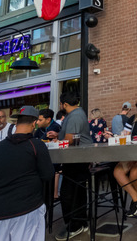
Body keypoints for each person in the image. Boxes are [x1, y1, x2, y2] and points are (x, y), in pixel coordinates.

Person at [0, 106, 54, 241]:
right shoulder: (36, 145)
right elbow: (48, 175)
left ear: (16, 123)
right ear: (34, 123)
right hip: (28, 209)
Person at [55, 93, 93, 240]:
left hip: (76, 159)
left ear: (64, 104)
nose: (60, 106)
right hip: (79, 158)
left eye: (60, 104)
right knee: (78, 191)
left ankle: (75, 225)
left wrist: (55, 142)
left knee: (68, 193)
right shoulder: (77, 114)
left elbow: (69, 139)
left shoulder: (75, 115)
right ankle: (81, 222)